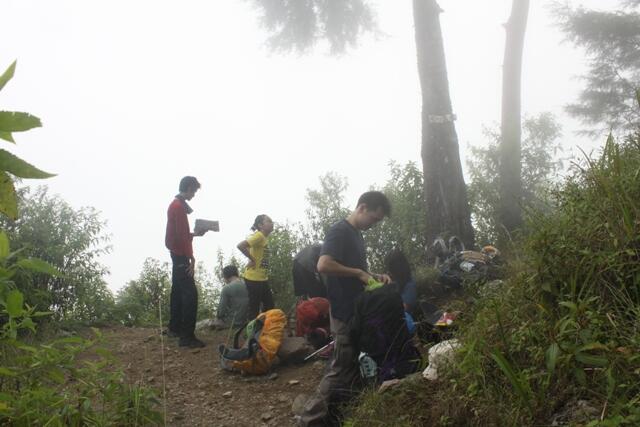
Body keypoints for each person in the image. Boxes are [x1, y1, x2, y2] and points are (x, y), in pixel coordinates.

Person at [300, 191, 392, 427]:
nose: (374, 224)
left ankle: (340, 414)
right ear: (362, 207)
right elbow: (323, 264)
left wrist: (374, 276)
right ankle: (308, 419)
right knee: (340, 365)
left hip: (356, 310)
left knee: (352, 363)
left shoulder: (356, 235)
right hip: (343, 310)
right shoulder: (339, 231)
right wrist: (360, 273)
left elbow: (355, 271)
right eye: (374, 218)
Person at [165, 176, 207, 348]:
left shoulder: (175, 204)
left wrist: (195, 234)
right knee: (190, 294)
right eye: (194, 191)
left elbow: (180, 234)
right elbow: (182, 237)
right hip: (181, 254)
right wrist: (191, 258)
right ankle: (187, 337)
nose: (194, 195)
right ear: (188, 188)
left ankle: (174, 328)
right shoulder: (178, 207)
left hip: (175, 253)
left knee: (177, 291)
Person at [237, 214, 275, 320]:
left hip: (262, 279)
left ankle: (265, 330)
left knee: (269, 306)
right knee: (255, 307)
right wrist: (252, 259)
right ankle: (252, 334)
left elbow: (251, 248)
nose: (272, 223)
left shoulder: (263, 238)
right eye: (269, 221)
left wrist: (251, 257)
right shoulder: (259, 236)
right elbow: (241, 245)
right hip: (254, 278)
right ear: (260, 225)